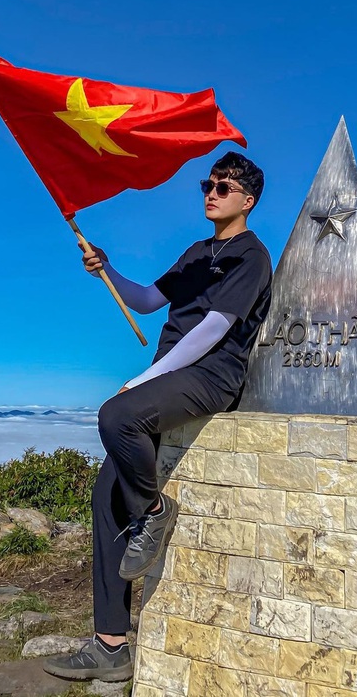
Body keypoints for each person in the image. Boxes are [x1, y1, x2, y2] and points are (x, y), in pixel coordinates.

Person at [43, 152, 272, 682]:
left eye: (223, 185)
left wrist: (146, 380)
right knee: (105, 497)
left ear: (248, 200)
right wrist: (107, 268)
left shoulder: (251, 256)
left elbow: (213, 330)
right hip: (174, 374)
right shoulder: (196, 251)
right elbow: (146, 300)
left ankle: (153, 509)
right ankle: (111, 644)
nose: (210, 192)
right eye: (207, 184)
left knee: (117, 415)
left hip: (211, 375)